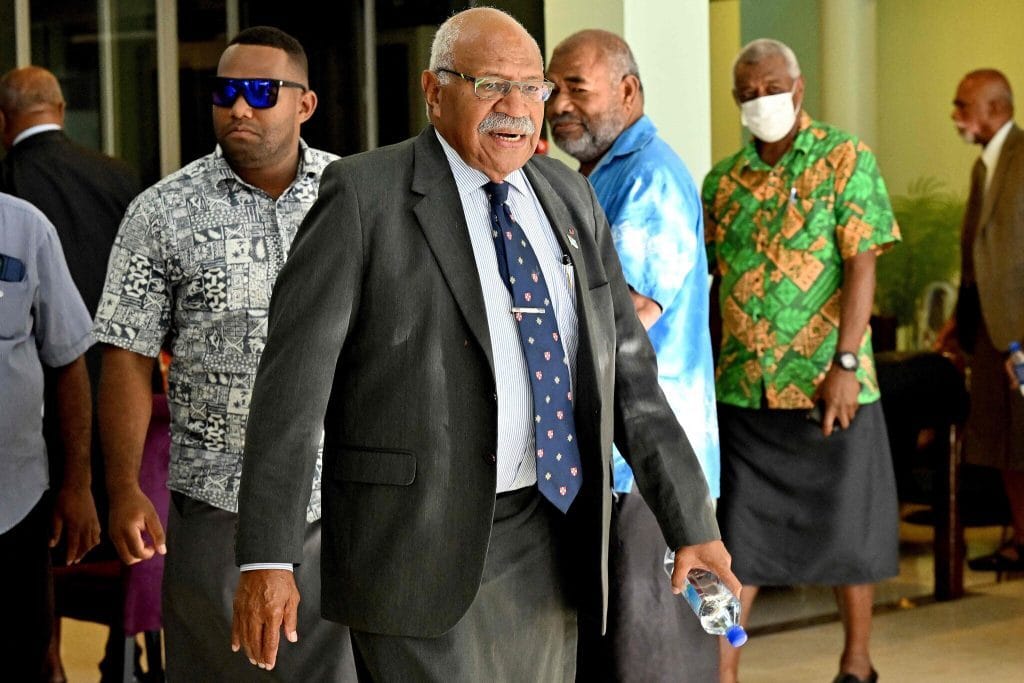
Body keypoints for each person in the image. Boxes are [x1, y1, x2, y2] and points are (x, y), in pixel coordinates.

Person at [231, 7, 738, 682]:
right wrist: (268, 554)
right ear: (434, 90)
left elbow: (632, 379)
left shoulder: (567, 197)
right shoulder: (364, 195)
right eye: (492, 84)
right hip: (416, 544)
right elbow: (292, 387)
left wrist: (692, 523)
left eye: (533, 88)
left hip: (553, 536)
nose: (517, 107)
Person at [91, 25, 356, 681]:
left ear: (306, 104)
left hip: (342, 497)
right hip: (215, 503)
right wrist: (123, 486)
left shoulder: (355, 196)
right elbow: (126, 352)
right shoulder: (160, 211)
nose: (240, 107)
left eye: (262, 92)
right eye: (226, 92)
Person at [702, 38, 901, 683]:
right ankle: (725, 667)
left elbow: (861, 262)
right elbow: (712, 280)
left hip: (827, 387)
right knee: (742, 543)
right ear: (736, 99)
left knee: (847, 533)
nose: (761, 100)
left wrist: (845, 362)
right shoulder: (723, 181)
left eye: (770, 87)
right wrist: (705, 375)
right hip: (745, 391)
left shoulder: (845, 159)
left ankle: (857, 663)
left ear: (798, 87)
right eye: (748, 92)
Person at [545, 29, 720, 683]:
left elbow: (625, 321)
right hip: (609, 463)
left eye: (576, 88)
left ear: (628, 90)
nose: (558, 103)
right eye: (551, 89)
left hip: (645, 467)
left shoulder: (649, 178)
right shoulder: (594, 176)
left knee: (649, 656)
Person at [0, 64, 142, 683]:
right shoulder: (117, 175)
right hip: (113, 376)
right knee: (108, 535)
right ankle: (121, 654)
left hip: (60, 391)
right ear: (59, 104)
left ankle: (56, 658)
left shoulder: (17, 194)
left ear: (5, 122)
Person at [0, 191, 100, 682]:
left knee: (22, 655)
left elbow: (69, 361)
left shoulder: (26, 229)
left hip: (13, 507)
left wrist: (77, 485)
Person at [940, 69, 1024, 572]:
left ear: (995, 108)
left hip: (1019, 328)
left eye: (962, 104)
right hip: (990, 331)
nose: (956, 116)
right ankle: (1020, 539)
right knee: (1006, 444)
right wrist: (958, 320)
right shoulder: (982, 167)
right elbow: (977, 252)